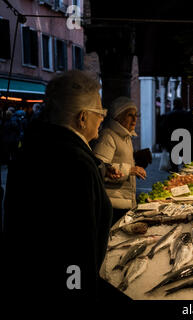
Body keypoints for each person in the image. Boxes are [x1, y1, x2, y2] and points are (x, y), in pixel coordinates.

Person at [3, 70, 127, 300]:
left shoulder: (33, 147)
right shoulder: (75, 163)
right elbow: (75, 248)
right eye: (100, 113)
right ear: (82, 118)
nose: (102, 118)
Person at [93, 96, 146, 225]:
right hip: (113, 204)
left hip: (124, 200)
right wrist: (129, 170)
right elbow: (99, 167)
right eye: (130, 115)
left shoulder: (125, 136)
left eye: (136, 115)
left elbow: (119, 158)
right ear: (118, 116)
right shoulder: (108, 136)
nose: (135, 119)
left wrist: (136, 161)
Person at [160, 98, 193, 172]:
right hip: (185, 141)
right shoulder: (187, 115)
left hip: (172, 143)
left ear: (174, 104)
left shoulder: (168, 115)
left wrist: (163, 144)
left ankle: (175, 177)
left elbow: (163, 130)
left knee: (174, 165)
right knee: (186, 164)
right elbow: (191, 128)